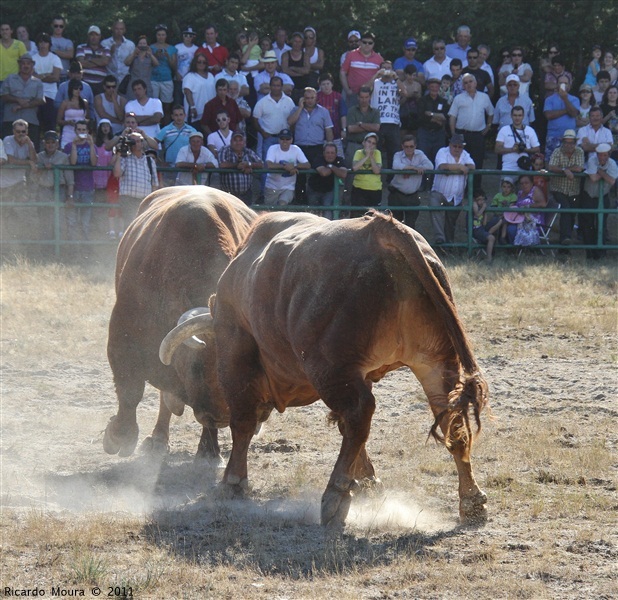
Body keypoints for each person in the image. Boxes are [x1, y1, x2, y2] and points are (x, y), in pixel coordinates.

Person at [448, 73, 493, 191]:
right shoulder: (458, 98)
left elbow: (491, 113)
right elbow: (452, 117)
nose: (468, 84)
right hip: (461, 135)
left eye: (470, 81)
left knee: (477, 162)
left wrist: (488, 127)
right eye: (465, 82)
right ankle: (459, 189)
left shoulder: (484, 97)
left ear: (475, 83)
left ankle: (475, 189)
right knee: (460, 161)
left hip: (478, 135)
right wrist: (454, 134)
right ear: (463, 85)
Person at [429, 134, 475, 246]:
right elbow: (442, 166)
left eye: (460, 147)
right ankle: (440, 239)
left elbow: (472, 166)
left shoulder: (465, 154)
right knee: (435, 210)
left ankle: (448, 245)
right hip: (439, 192)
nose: (457, 149)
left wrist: (461, 167)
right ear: (450, 145)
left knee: (451, 223)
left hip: (456, 196)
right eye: (455, 146)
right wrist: (460, 167)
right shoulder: (442, 152)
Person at [34, 130, 74, 240]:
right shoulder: (39, 157)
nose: (50, 145)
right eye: (48, 142)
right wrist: (41, 168)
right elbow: (33, 177)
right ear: (44, 143)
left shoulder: (63, 157)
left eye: (53, 142)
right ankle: (45, 247)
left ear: (57, 143)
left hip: (59, 190)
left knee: (59, 219)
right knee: (44, 219)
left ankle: (58, 247)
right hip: (43, 190)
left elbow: (70, 180)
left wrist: (70, 197)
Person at [547, 129, 585, 246]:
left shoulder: (579, 151)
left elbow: (579, 168)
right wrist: (565, 170)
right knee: (565, 208)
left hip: (574, 190)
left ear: (575, 143)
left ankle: (564, 244)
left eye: (571, 142)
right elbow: (551, 166)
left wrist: (565, 169)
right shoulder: (557, 151)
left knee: (571, 213)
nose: (569, 145)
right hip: (558, 188)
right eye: (566, 142)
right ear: (563, 142)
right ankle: (565, 238)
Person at [581, 143, 617, 259]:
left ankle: (601, 253)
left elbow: (612, 181)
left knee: (601, 224)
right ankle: (590, 254)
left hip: (604, 196)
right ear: (597, 155)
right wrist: (604, 174)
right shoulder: (592, 160)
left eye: (605, 155)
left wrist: (600, 172)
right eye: (600, 155)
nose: (603, 158)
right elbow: (593, 178)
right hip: (588, 196)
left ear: (609, 155)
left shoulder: (612, 164)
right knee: (588, 225)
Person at [112, 130, 159, 220]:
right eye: (133, 142)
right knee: (130, 224)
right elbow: (117, 174)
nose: (136, 144)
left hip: (145, 199)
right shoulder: (124, 159)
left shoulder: (149, 161)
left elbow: (154, 184)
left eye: (138, 141)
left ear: (142, 143)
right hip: (128, 199)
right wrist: (118, 154)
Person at [388, 134, 433, 227]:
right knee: (395, 226)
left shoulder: (420, 154)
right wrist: (414, 169)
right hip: (397, 194)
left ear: (415, 146)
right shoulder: (398, 155)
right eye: (406, 146)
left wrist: (412, 169)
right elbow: (396, 166)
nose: (409, 149)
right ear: (402, 146)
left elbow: (430, 166)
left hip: (413, 196)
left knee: (411, 226)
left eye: (411, 146)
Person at [252, 76, 296, 171]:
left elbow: (294, 118)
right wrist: (263, 133)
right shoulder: (262, 102)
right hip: (269, 138)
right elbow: (255, 120)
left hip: (285, 139)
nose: (276, 88)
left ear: (282, 86)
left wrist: (290, 133)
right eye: (274, 85)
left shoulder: (289, 101)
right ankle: (264, 186)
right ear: (270, 86)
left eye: (278, 86)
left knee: (286, 165)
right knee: (267, 167)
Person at [368, 60, 405, 170]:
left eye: (389, 68)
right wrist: (376, 75)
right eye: (384, 68)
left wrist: (396, 77)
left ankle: (391, 179)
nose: (387, 71)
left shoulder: (396, 83)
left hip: (393, 122)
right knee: (375, 150)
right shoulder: (376, 82)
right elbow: (364, 89)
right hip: (378, 122)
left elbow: (404, 92)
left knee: (393, 152)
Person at [63, 120, 97, 240]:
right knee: (71, 220)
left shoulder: (93, 146)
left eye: (84, 130)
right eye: (79, 130)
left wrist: (92, 144)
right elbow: (72, 162)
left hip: (88, 187)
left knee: (85, 222)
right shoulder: (68, 146)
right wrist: (74, 145)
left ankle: (85, 246)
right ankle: (72, 247)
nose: (81, 132)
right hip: (73, 188)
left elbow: (94, 162)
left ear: (88, 131)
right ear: (75, 131)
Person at [1, 53, 44, 145]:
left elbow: (41, 100)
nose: (26, 66)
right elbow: (3, 96)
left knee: (31, 148)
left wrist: (22, 106)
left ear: (32, 65)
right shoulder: (10, 78)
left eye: (28, 63)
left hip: (30, 120)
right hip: (10, 119)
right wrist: (17, 100)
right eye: (23, 63)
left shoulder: (37, 82)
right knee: (7, 148)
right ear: (19, 65)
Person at [264, 128, 310, 205]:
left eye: (287, 139)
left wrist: (294, 166)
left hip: (288, 187)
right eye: (282, 139)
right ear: (278, 140)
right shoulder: (273, 148)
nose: (285, 141)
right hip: (272, 186)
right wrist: (285, 166)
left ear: (291, 140)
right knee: (270, 211)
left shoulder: (296, 149)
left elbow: (307, 165)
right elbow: (269, 164)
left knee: (282, 205)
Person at [155, 104, 197, 186]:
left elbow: (197, 147)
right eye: (176, 115)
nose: (179, 117)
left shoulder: (192, 131)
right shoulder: (166, 130)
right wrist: (161, 162)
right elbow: (154, 144)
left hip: (187, 168)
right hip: (170, 168)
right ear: (172, 116)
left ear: (185, 115)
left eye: (181, 115)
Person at [340, 32, 383, 108]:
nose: (367, 45)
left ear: (373, 44)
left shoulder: (379, 59)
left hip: (371, 95)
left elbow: (383, 76)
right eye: (364, 42)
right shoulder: (351, 55)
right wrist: (347, 90)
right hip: (354, 94)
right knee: (352, 118)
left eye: (370, 43)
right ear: (360, 42)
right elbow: (342, 72)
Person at [218, 130, 262, 204]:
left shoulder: (248, 151)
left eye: (240, 140)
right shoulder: (224, 150)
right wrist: (236, 165)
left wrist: (249, 164)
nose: (238, 143)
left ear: (244, 142)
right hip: (228, 194)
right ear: (231, 141)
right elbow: (222, 164)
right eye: (235, 140)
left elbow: (261, 164)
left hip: (246, 194)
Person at [495, 105, 540, 176]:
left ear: (523, 116)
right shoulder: (504, 130)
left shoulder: (530, 130)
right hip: (508, 168)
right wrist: (512, 149)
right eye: (515, 115)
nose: (517, 118)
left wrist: (525, 150)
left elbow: (537, 149)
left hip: (525, 168)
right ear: (511, 116)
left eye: (519, 115)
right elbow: (497, 149)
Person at [306, 141, 347, 218]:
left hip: (329, 190)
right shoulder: (318, 158)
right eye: (328, 153)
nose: (330, 155)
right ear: (324, 153)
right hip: (314, 189)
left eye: (332, 153)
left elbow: (343, 174)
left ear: (336, 154)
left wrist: (331, 166)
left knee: (327, 210)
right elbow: (324, 173)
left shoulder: (339, 160)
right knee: (313, 213)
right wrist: (335, 168)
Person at [503, 174, 546, 246]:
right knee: (502, 221)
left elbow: (543, 204)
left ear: (532, 183)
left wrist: (528, 206)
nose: (524, 185)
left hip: (532, 222)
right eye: (522, 183)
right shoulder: (520, 193)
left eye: (526, 183)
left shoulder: (535, 190)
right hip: (519, 218)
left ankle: (515, 248)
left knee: (511, 229)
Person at [543, 75, 580, 158]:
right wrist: (567, 110)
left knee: (568, 161)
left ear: (569, 86)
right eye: (561, 83)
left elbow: (574, 114)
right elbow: (549, 115)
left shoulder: (575, 99)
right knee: (550, 159)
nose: (563, 85)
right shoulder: (549, 99)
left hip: (569, 137)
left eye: (565, 83)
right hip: (553, 135)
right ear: (557, 84)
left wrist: (565, 99)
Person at [344, 85, 380, 168]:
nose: (364, 100)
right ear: (358, 97)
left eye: (366, 97)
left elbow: (376, 128)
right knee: (351, 173)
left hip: (371, 146)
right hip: (354, 145)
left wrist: (361, 124)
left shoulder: (375, 112)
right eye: (362, 97)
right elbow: (351, 129)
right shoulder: (352, 110)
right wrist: (369, 126)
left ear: (370, 97)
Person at [33, 33, 62, 134]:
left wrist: (40, 76)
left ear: (49, 44)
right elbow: (31, 77)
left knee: (50, 125)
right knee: (36, 125)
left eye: (45, 41)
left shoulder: (55, 58)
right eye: (40, 42)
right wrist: (47, 75)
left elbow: (56, 78)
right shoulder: (33, 58)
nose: (43, 44)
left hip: (51, 95)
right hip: (35, 95)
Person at [416, 77, 449, 165]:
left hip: (439, 133)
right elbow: (420, 117)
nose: (434, 89)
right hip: (425, 133)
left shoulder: (444, 102)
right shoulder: (422, 100)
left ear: (439, 88)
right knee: (424, 158)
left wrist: (431, 114)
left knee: (438, 158)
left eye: (436, 87)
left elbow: (445, 117)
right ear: (428, 87)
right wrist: (437, 118)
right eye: (432, 87)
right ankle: (425, 179)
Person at [92, 119, 116, 237]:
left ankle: (108, 231)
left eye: (108, 126)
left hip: (109, 179)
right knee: (97, 206)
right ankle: (97, 231)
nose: (105, 128)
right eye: (103, 126)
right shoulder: (95, 144)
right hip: (97, 178)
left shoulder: (113, 144)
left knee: (109, 207)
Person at [150, 24, 177, 124]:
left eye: (163, 35)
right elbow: (148, 64)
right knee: (154, 105)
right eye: (159, 35)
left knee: (167, 105)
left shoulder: (172, 49)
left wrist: (167, 57)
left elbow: (174, 66)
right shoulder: (151, 48)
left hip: (167, 78)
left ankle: (166, 126)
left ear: (166, 36)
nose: (161, 37)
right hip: (153, 78)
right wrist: (155, 56)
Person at [350, 131, 382, 213]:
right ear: (363, 143)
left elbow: (377, 170)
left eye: (373, 143)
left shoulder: (377, 153)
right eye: (369, 142)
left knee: (373, 219)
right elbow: (354, 168)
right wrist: (366, 156)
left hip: (375, 190)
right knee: (356, 216)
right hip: (359, 189)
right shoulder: (358, 152)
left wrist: (371, 157)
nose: (371, 145)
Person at [316, 72, 346, 156]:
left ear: (332, 84)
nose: (326, 86)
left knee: (339, 157)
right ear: (320, 86)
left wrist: (344, 129)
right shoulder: (316, 97)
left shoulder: (338, 97)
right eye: (323, 84)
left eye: (328, 84)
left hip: (336, 134)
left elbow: (343, 115)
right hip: (320, 136)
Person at [182, 53, 216, 128]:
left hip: (210, 113)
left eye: (204, 62)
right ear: (195, 62)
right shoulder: (189, 76)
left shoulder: (211, 76)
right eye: (199, 62)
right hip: (196, 114)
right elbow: (187, 92)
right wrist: (192, 107)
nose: (201, 64)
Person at [76, 25, 111, 96]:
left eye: (96, 35)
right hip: (85, 82)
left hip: (101, 83)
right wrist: (99, 61)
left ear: (100, 36)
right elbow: (81, 63)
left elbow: (105, 62)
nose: (94, 37)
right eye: (91, 34)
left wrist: (89, 59)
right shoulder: (81, 47)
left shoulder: (105, 48)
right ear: (88, 36)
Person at [57, 79, 90, 148]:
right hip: (68, 133)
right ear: (71, 89)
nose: (78, 90)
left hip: (82, 133)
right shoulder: (65, 103)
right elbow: (58, 120)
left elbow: (88, 117)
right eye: (76, 88)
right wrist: (68, 122)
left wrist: (86, 121)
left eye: (80, 89)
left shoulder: (84, 103)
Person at [123, 35, 158, 101]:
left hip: (146, 84)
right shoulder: (133, 55)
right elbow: (126, 63)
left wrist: (150, 54)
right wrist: (134, 54)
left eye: (144, 44)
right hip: (133, 84)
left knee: (147, 104)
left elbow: (156, 64)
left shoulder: (149, 56)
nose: (142, 45)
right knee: (132, 104)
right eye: (140, 43)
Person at [102, 20, 135, 85]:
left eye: (121, 29)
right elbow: (102, 62)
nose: (119, 31)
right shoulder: (105, 43)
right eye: (117, 29)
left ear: (124, 30)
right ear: (112, 29)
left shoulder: (130, 45)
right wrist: (111, 52)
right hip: (110, 77)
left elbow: (132, 64)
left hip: (125, 79)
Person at [281, 31, 309, 102]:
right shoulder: (285, 55)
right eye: (295, 41)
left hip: (303, 87)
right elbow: (285, 70)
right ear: (292, 41)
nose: (297, 44)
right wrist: (300, 73)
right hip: (288, 88)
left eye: (299, 41)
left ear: (302, 42)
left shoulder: (305, 55)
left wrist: (293, 68)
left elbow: (306, 70)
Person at [175, 26, 199, 104]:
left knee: (190, 100)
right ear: (182, 36)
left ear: (193, 37)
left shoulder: (196, 49)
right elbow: (174, 62)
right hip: (179, 79)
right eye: (186, 35)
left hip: (191, 79)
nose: (188, 38)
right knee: (178, 100)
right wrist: (176, 74)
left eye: (190, 36)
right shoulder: (177, 47)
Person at [471, 189, 497, 261]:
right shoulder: (474, 204)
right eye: (479, 199)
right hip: (475, 229)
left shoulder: (482, 208)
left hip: (481, 228)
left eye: (483, 199)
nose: (481, 202)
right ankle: (489, 258)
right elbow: (477, 214)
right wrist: (483, 208)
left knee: (497, 221)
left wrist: (485, 213)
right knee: (491, 238)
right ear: (475, 200)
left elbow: (484, 223)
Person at [49, 16, 74, 80]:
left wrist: (54, 51)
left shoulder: (68, 41)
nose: (58, 28)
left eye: (61, 26)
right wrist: (63, 53)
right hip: (49, 75)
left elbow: (70, 55)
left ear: (64, 27)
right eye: (56, 26)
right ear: (52, 26)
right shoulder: (47, 40)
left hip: (64, 75)